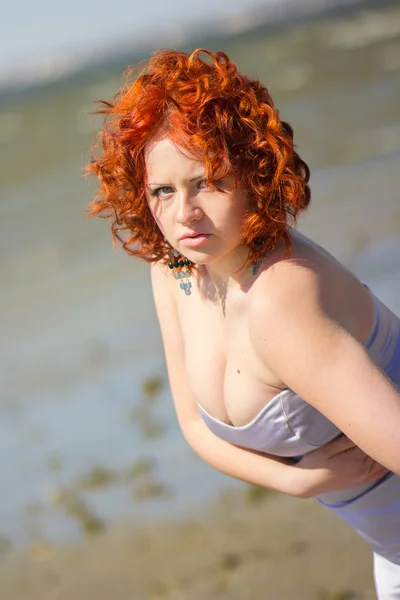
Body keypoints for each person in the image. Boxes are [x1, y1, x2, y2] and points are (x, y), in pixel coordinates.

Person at [86, 48, 400, 598]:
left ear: (255, 173)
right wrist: (300, 480)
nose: (184, 213)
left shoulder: (280, 299)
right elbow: (190, 425)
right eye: (163, 190)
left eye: (207, 181)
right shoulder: (174, 271)